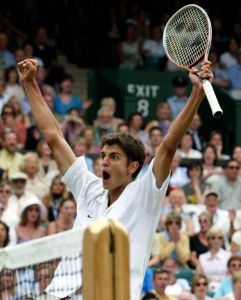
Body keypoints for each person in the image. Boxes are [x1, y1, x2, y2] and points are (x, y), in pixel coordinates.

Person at [17, 58, 214, 300]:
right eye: (103, 156)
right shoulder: (88, 188)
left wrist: (196, 93)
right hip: (58, 296)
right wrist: (30, 84)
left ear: (133, 166)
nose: (105, 162)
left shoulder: (146, 195)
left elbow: (169, 144)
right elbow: (54, 137)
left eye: (113, 157)